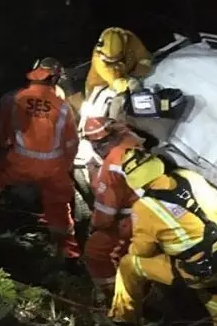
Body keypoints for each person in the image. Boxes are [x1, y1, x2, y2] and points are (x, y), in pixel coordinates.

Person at [109, 148, 217, 326]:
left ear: (136, 182)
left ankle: (123, 319)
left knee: (129, 264)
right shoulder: (188, 176)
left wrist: (133, 247)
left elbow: (143, 250)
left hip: (193, 271)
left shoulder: (145, 206)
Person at [0, 57, 81, 263]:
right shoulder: (63, 107)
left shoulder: (13, 99)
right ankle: (68, 253)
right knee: (59, 205)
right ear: (55, 79)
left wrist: (0, 154)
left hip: (18, 162)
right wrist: (64, 166)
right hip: (52, 167)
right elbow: (71, 143)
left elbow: (0, 134)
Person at [81, 117, 145, 299]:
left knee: (96, 253)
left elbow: (105, 216)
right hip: (151, 207)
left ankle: (115, 296)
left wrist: (94, 227)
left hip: (133, 219)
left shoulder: (110, 168)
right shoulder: (131, 140)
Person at [85, 28, 152, 112]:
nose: (113, 63)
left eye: (115, 59)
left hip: (127, 75)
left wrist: (138, 75)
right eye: (109, 60)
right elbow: (115, 81)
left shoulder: (130, 39)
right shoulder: (99, 59)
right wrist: (129, 83)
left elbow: (144, 58)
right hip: (100, 88)